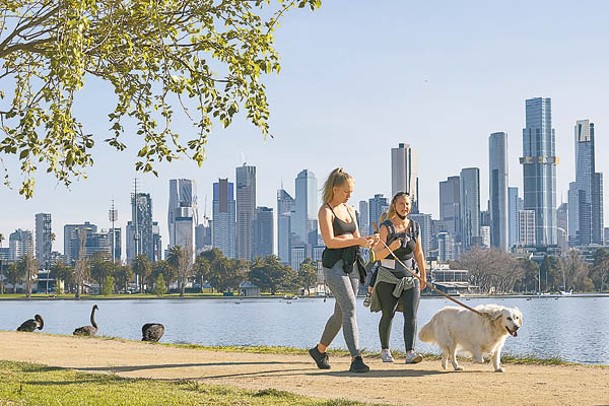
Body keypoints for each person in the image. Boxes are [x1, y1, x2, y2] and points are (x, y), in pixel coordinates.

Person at [309, 167, 377, 373]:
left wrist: (367, 241)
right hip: (334, 267)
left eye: (351, 192)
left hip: (352, 264)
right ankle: (356, 358)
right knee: (349, 308)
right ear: (335, 188)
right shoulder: (325, 211)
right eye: (346, 191)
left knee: (341, 314)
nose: (349, 195)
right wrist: (356, 240)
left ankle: (319, 351)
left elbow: (355, 236)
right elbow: (330, 242)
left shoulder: (349, 210)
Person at [367, 191, 427, 364]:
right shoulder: (386, 227)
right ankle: (385, 350)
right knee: (388, 314)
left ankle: (410, 352)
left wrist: (423, 274)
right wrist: (392, 247)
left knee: (411, 315)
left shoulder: (415, 226)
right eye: (401, 203)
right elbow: (376, 256)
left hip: (410, 277)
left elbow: (419, 252)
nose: (405, 207)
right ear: (394, 205)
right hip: (388, 276)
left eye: (407, 204)